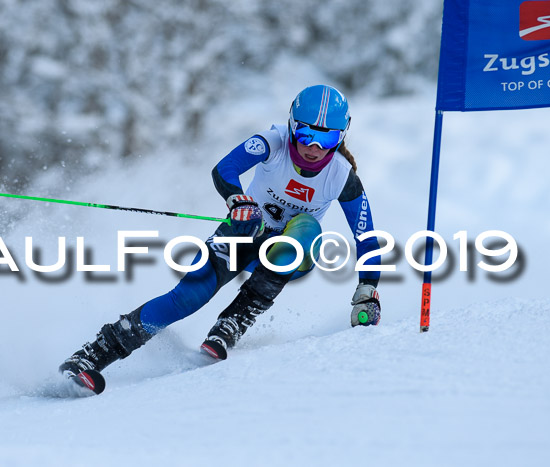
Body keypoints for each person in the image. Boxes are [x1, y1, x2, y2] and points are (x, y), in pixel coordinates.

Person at [59, 84, 382, 380]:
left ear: (340, 136)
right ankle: (91, 357)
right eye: (305, 133)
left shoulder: (342, 176)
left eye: (326, 139)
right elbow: (225, 169)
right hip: (243, 232)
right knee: (187, 298)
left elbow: (365, 235)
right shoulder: (272, 142)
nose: (313, 146)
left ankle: (234, 321)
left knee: (306, 227)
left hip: (288, 254)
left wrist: (368, 290)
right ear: (291, 125)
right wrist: (238, 200)